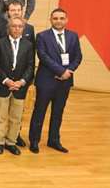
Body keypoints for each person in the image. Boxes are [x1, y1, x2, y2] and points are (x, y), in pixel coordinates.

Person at [29, 8, 82, 154]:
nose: (58, 21)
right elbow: (43, 56)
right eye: (55, 18)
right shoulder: (42, 36)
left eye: (61, 18)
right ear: (51, 20)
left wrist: (68, 71)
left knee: (58, 112)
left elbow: (78, 56)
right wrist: (61, 71)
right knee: (39, 111)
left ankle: (54, 140)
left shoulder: (73, 36)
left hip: (64, 82)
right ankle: (34, 141)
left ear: (66, 19)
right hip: (46, 81)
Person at [0, 17, 34, 155]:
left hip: (20, 88)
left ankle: (11, 142)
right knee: (0, 116)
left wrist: (22, 82)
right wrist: (6, 80)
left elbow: (30, 66)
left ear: (23, 28)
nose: (16, 29)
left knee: (16, 117)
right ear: (8, 28)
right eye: (14, 26)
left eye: (19, 27)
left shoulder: (28, 45)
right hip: (3, 85)